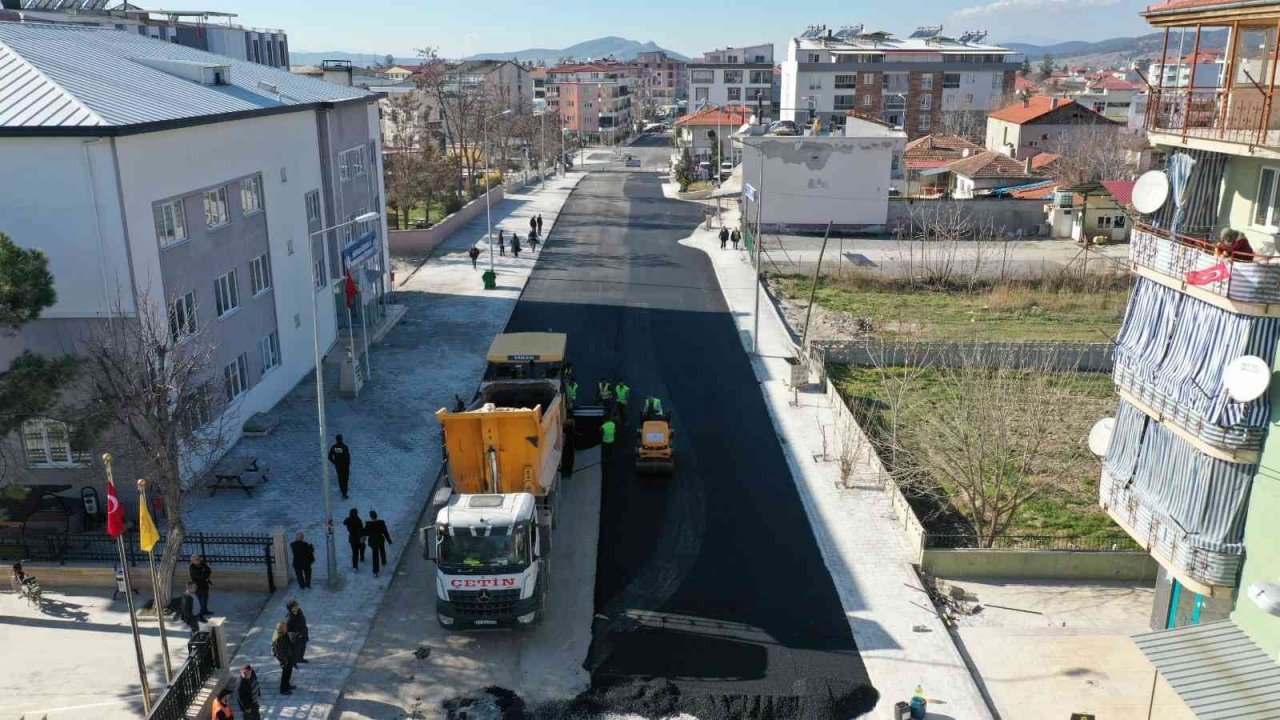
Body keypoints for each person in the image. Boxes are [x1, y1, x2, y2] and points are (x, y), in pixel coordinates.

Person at [272, 621, 298, 695]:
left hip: (288, 656)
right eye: (285, 627)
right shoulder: (278, 638)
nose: (287, 627)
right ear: (281, 629)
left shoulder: (284, 633)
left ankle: (287, 685)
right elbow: (278, 652)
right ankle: (283, 689)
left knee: (289, 672)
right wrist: (284, 661)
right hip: (285, 659)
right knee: (285, 674)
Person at [364, 510, 393, 577]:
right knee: (382, 550)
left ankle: (376, 571)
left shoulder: (368, 525)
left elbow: (365, 533)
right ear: (376, 516)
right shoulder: (381, 523)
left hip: (373, 541)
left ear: (370, 517)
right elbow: (385, 532)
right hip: (380, 540)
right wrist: (389, 540)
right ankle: (384, 561)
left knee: (375, 555)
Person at [328, 434, 352, 499]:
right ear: (341, 439)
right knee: (345, 479)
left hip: (339, 466)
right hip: (345, 466)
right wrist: (347, 464)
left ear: (336, 440)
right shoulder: (344, 447)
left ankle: (342, 489)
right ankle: (344, 493)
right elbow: (348, 457)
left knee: (341, 478)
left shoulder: (334, 447)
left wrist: (335, 462)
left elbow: (329, 456)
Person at [189, 554, 212, 619]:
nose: (199, 560)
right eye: (197, 559)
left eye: (199, 558)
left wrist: (204, 573)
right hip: (198, 587)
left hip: (205, 585)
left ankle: (205, 611)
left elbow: (209, 570)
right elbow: (199, 577)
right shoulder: (192, 568)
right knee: (200, 602)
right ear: (193, 561)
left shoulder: (202, 564)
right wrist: (205, 575)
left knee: (205, 599)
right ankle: (200, 615)